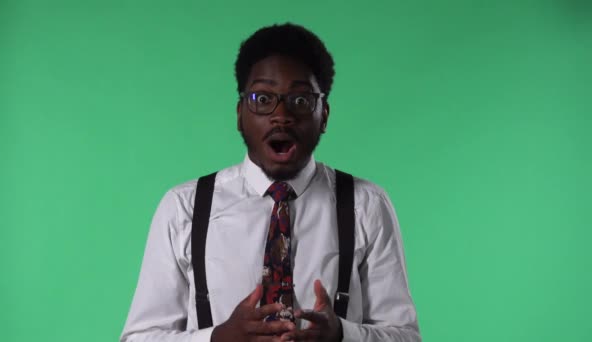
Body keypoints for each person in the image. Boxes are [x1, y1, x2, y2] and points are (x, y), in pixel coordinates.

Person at [120, 23, 421, 342]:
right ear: (239, 114)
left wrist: (342, 334)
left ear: (325, 115)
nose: (281, 115)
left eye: (301, 100)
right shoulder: (184, 208)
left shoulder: (366, 204)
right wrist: (217, 338)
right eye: (262, 98)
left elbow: (406, 336)